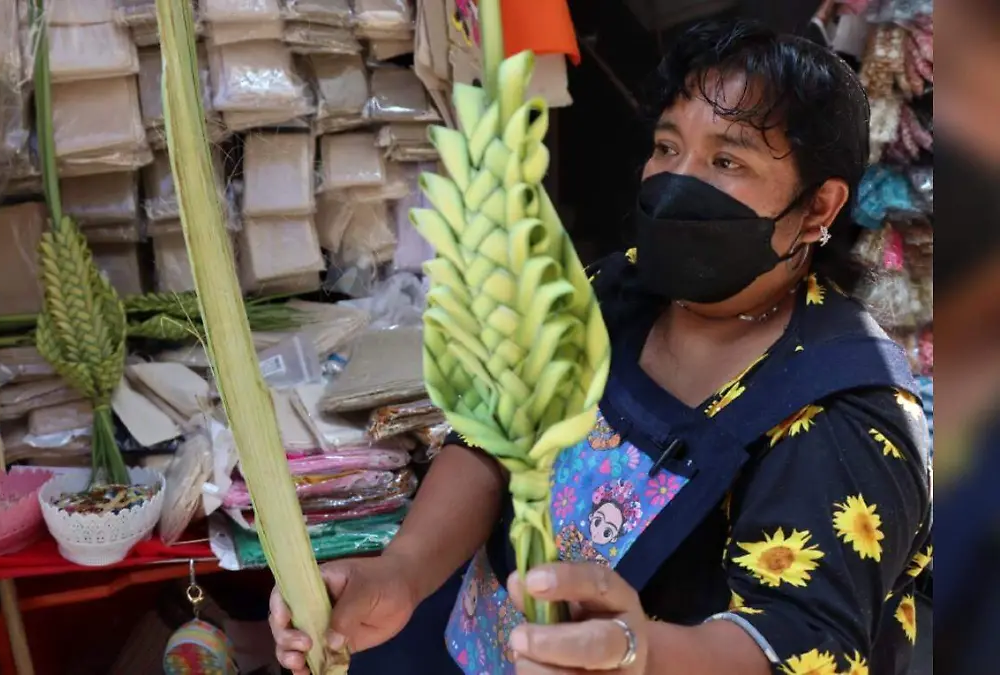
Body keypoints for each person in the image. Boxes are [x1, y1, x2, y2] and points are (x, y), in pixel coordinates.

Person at [270, 20, 931, 675]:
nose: (677, 181)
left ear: (818, 208)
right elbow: (494, 439)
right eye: (668, 147)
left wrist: (640, 656)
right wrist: (403, 570)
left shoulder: (846, 413)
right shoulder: (610, 291)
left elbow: (798, 642)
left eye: (727, 161)